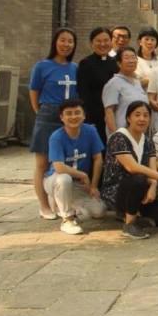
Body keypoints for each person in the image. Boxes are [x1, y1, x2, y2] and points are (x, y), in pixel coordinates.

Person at [100, 101, 158, 239]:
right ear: (128, 118)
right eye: (137, 115)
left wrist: (153, 184)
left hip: (140, 188)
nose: (142, 119)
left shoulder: (147, 141)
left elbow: (152, 168)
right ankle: (129, 224)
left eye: (146, 115)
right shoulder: (118, 137)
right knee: (138, 178)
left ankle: (133, 215)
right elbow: (132, 167)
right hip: (116, 190)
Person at [30, 27, 79, 220]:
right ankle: (44, 206)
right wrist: (39, 112)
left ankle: (60, 203)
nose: (66, 44)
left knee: (62, 163)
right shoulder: (42, 66)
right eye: (63, 40)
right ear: (55, 42)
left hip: (69, 117)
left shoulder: (75, 68)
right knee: (42, 164)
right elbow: (34, 91)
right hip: (48, 115)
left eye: (70, 41)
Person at [45, 99, 107, 235]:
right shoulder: (56, 137)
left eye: (77, 113)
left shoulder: (90, 131)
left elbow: (98, 158)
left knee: (99, 211)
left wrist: (94, 186)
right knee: (64, 179)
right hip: (55, 180)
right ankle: (67, 219)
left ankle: (68, 205)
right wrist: (83, 175)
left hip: (79, 184)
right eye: (68, 113)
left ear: (84, 115)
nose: (73, 117)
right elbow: (59, 167)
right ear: (62, 117)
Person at [77, 27, 117, 145]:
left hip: (113, 115)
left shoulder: (115, 63)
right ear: (91, 43)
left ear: (111, 42)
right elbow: (82, 93)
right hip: (94, 116)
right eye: (98, 41)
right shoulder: (85, 63)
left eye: (106, 40)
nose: (103, 44)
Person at [102, 47, 148, 136]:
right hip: (122, 135)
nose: (131, 61)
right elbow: (109, 112)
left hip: (139, 135)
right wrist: (116, 136)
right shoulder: (114, 83)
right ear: (119, 63)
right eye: (127, 58)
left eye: (133, 57)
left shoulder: (137, 82)